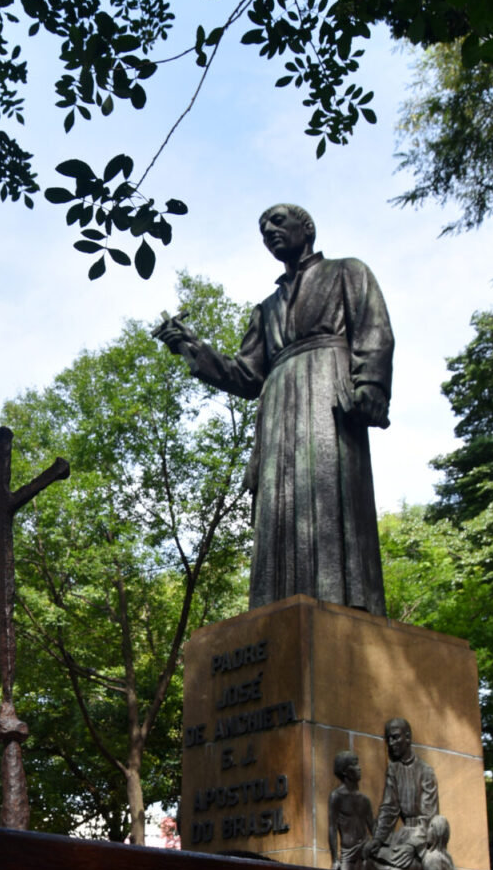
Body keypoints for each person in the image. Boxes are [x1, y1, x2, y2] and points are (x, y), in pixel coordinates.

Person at [154, 204, 394, 613]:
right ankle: (278, 610)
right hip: (279, 408)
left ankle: (346, 602)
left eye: (277, 223)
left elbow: (373, 328)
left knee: (330, 488)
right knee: (279, 508)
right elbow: (247, 375)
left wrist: (369, 382)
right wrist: (189, 346)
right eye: (263, 230)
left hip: (328, 393)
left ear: (308, 228)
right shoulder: (265, 310)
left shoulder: (347, 272)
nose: (269, 232)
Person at [360, 718, 440, 870]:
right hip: (401, 836)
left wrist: (413, 847)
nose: (391, 743)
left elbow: (430, 817)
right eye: (388, 739)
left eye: (395, 737)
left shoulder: (426, 771)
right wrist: (376, 840)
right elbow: (388, 808)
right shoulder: (394, 769)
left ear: (408, 737)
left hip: (420, 839)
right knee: (370, 865)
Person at [329, 750, 375, 870]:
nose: (360, 768)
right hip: (346, 853)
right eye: (356, 765)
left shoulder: (364, 800)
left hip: (363, 852)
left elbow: (373, 828)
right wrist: (334, 860)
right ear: (347, 772)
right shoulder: (336, 797)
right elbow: (331, 828)